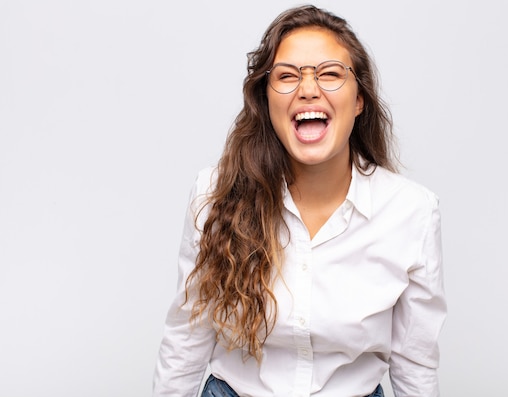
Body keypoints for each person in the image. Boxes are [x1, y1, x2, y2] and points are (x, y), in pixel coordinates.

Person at [153, 5, 446, 397]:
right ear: (267, 102)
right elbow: (186, 339)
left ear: (359, 100)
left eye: (329, 73)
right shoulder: (214, 194)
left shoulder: (412, 212)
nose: (308, 89)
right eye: (288, 76)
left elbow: (415, 364)